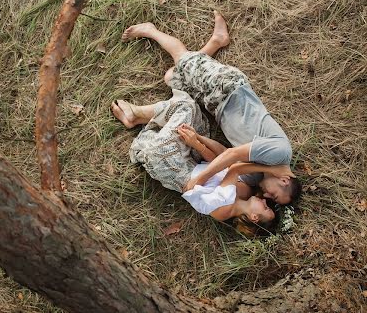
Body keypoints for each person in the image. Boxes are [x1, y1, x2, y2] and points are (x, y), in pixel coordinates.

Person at [119, 12, 301, 205]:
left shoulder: (256, 175)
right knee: (182, 59)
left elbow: (225, 158)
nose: (265, 196)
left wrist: (198, 141)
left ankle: (216, 42)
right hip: (229, 89)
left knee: (172, 78)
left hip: (215, 107)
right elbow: (232, 155)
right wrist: (200, 179)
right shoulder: (280, 153)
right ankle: (150, 30)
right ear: (284, 180)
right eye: (273, 196)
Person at [112, 90, 276, 227]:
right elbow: (216, 165)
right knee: (192, 114)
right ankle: (141, 119)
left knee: (185, 108)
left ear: (254, 217)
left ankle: (136, 116)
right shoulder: (243, 193)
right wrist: (196, 141)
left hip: (173, 169)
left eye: (266, 209)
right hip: (192, 161)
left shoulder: (223, 209)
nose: (265, 203)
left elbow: (220, 173)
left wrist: (271, 169)